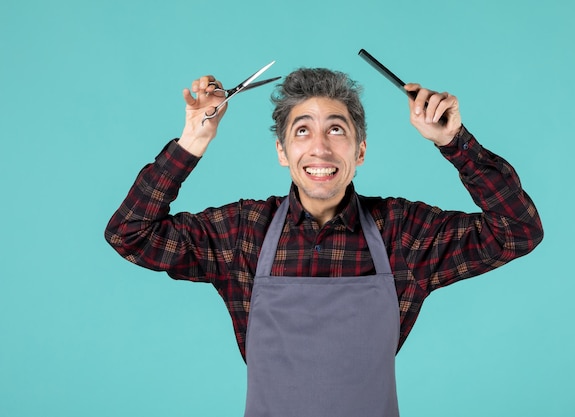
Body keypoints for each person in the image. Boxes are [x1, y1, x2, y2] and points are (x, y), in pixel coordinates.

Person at [105, 67, 543, 417]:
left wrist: (454, 141)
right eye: (301, 131)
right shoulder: (243, 233)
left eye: (336, 130)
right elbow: (130, 233)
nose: (320, 149)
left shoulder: (402, 233)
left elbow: (518, 230)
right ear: (281, 152)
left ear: (361, 150)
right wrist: (193, 140)